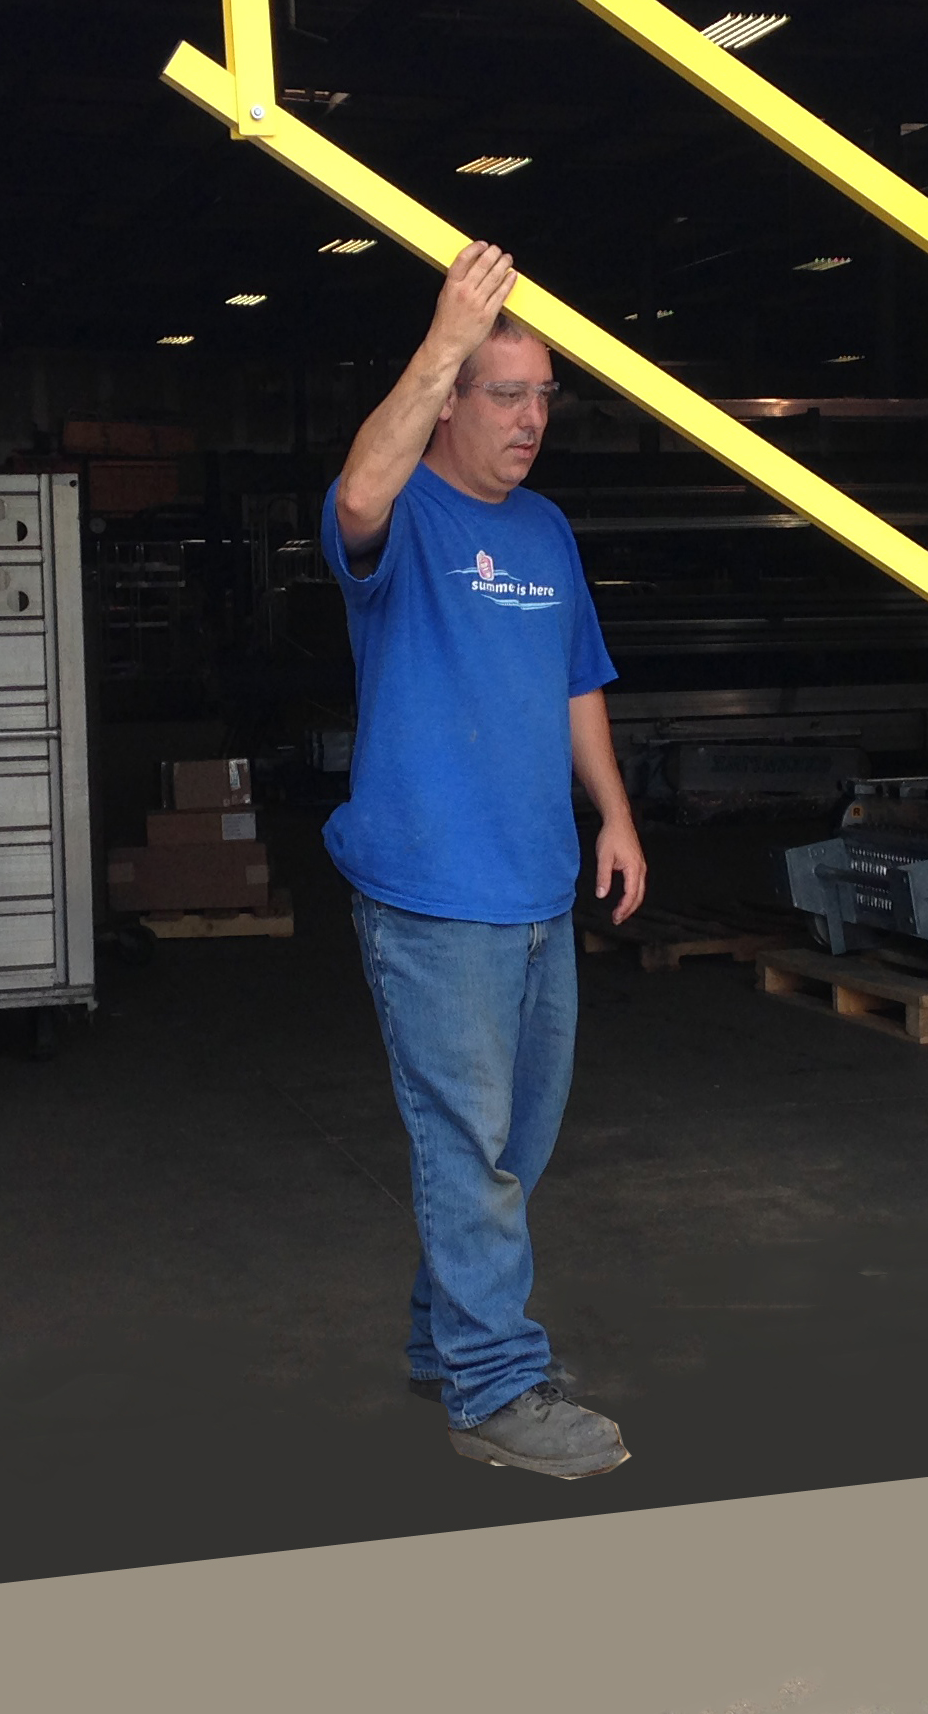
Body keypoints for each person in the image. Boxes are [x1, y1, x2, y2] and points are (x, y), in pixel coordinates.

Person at [322, 238, 647, 1479]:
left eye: (543, 397)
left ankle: (442, 1340)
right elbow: (356, 494)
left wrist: (613, 814)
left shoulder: (549, 531)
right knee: (470, 1150)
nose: (530, 420)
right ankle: (496, 1389)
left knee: (516, 1148)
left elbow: (577, 683)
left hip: (537, 886)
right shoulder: (403, 515)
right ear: (451, 400)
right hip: (430, 893)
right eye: (505, 394)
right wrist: (444, 337)